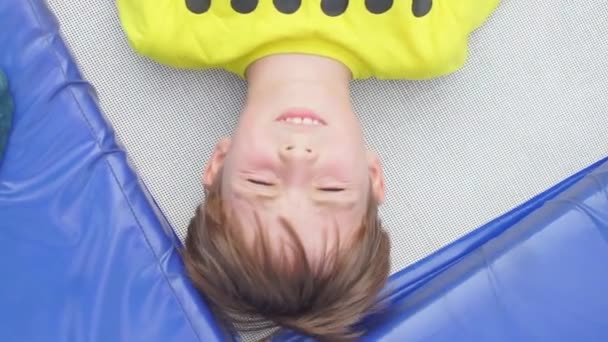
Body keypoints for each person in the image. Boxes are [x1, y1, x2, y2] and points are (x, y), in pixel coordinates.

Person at [116, 0, 500, 339]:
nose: (298, 156)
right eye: (330, 189)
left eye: (261, 182)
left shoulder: (168, 23)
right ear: (372, 176)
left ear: (218, 165)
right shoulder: (427, 35)